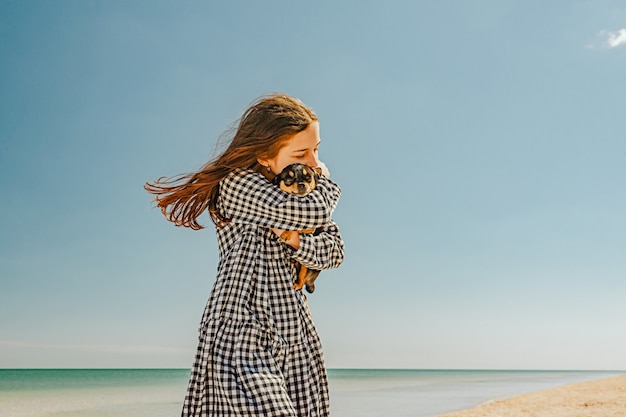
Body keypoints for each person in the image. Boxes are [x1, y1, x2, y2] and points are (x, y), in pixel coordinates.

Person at [145, 93, 345, 417]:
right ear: (265, 156)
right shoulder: (238, 185)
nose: (313, 162)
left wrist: (297, 243)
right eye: (301, 153)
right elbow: (315, 211)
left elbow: (335, 251)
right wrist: (326, 181)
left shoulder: (303, 190)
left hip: (294, 330)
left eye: (316, 150)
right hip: (242, 325)